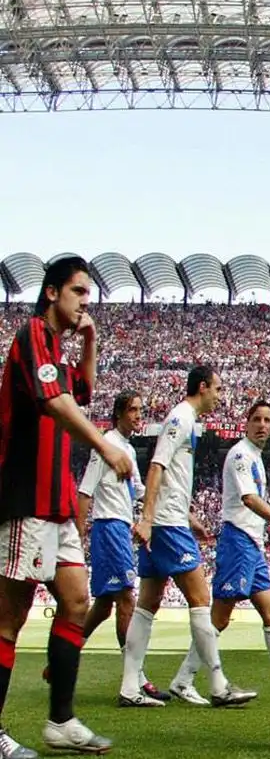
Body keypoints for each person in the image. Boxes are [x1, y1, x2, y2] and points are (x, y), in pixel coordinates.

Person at [0, 255, 134, 756]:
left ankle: (61, 721)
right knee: (8, 619)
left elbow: (83, 391)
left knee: (76, 602)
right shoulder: (33, 332)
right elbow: (57, 401)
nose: (85, 302)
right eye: (79, 292)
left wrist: (91, 341)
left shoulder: (56, 344)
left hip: (56, 501)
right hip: (25, 497)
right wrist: (105, 445)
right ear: (53, 292)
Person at [121, 365, 256, 709]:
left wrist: (190, 516)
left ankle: (129, 686)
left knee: (148, 603)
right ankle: (218, 684)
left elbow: (171, 479)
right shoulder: (181, 417)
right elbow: (156, 466)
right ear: (202, 387)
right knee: (200, 599)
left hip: (171, 519)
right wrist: (149, 519)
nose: (221, 396)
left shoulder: (187, 421)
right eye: (218, 389)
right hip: (166, 525)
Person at [179, 400, 270, 701]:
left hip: (252, 545)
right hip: (237, 539)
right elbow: (249, 499)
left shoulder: (255, 456)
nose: (262, 425)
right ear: (246, 422)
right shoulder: (241, 454)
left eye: (268, 420)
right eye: (256, 419)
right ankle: (185, 678)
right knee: (220, 616)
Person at [77, 388, 167, 704]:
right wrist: (77, 537)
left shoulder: (126, 449)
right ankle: (135, 680)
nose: (139, 415)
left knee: (104, 604)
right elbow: (85, 491)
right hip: (109, 527)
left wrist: (174, 506)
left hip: (118, 527)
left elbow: (141, 491)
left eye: (141, 410)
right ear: (119, 414)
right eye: (133, 410)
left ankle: (65, 654)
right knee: (127, 598)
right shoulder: (106, 446)